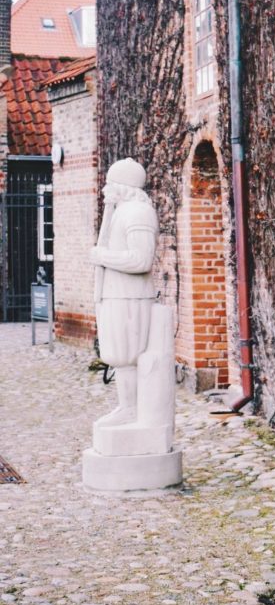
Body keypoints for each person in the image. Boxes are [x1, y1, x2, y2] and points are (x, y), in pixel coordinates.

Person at [89, 158, 159, 426]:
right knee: (118, 355)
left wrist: (103, 256)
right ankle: (127, 406)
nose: (106, 189)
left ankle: (132, 408)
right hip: (115, 293)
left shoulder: (138, 213)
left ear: (123, 186)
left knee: (127, 354)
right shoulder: (122, 211)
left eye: (111, 183)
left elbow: (141, 260)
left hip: (130, 295)